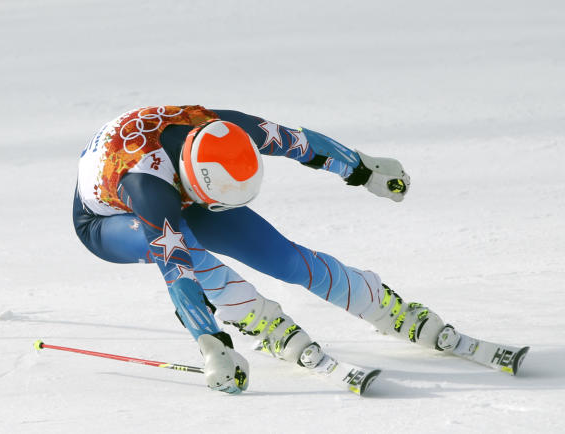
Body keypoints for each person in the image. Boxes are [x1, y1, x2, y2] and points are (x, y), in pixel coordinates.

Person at [72, 105, 456, 394]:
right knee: (183, 247)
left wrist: (364, 169)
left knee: (282, 257)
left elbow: (298, 142)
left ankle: (381, 306)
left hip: (183, 186)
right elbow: (178, 274)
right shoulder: (148, 189)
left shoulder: (222, 128)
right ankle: (257, 318)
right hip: (106, 222)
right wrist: (213, 345)